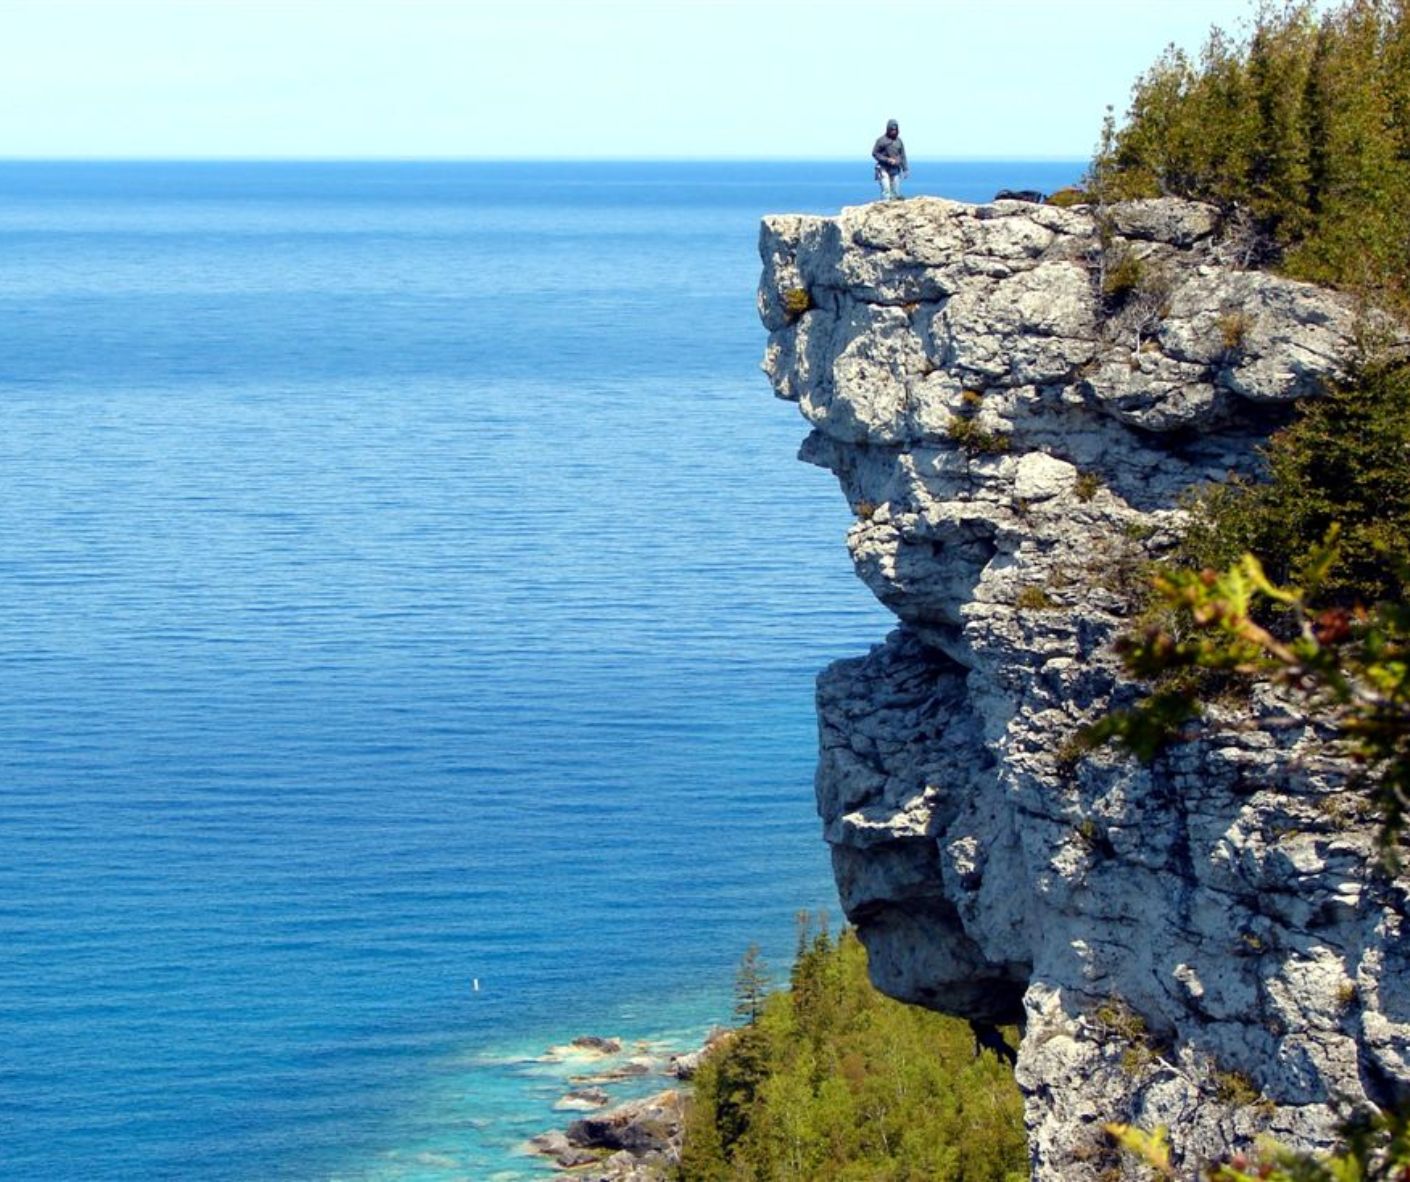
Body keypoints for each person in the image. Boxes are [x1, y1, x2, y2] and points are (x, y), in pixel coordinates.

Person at [872, 119, 908, 201]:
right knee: (886, 190)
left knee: (895, 191)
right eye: (892, 129)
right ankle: (885, 207)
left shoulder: (899, 141)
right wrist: (887, 159)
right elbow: (875, 153)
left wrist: (905, 169)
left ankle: (894, 208)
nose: (893, 131)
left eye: (895, 129)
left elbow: (902, 155)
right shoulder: (881, 140)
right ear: (888, 129)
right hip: (883, 168)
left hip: (895, 168)